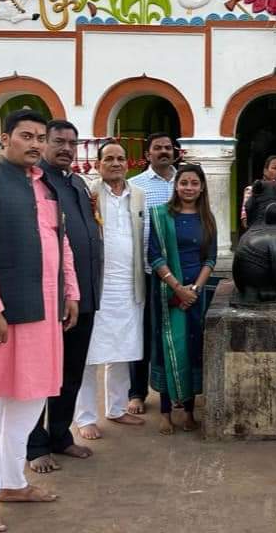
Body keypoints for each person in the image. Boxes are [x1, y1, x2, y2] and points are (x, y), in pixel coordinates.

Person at [0, 109, 80, 533]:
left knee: (29, 402)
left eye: (39, 137)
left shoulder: (47, 186)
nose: (34, 144)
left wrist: (71, 291)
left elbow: (60, 242)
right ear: (5, 139)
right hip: (3, 316)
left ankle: (13, 483)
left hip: (45, 313)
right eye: (25, 136)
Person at [27, 120, 103, 473]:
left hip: (83, 296)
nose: (66, 149)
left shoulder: (76, 183)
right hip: (49, 300)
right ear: (44, 143)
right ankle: (34, 444)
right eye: (59, 141)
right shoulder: (34, 184)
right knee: (41, 374)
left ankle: (60, 435)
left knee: (70, 372)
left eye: (72, 143)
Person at [75, 140, 147, 437]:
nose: (116, 163)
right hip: (97, 287)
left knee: (123, 349)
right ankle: (84, 418)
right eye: (109, 159)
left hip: (129, 285)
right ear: (99, 164)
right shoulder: (88, 193)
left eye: (120, 158)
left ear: (128, 164)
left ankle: (116, 409)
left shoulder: (138, 195)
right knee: (90, 355)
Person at [148, 163, 218, 435]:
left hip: (196, 294)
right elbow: (154, 256)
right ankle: (165, 412)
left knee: (191, 349)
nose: (189, 188)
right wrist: (178, 288)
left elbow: (210, 259)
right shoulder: (161, 216)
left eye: (194, 183)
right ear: (176, 186)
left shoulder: (207, 219)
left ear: (201, 188)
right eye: (184, 182)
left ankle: (188, 411)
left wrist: (195, 290)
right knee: (168, 349)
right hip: (168, 292)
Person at [127, 131, 177, 416]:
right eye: (157, 148)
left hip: (180, 274)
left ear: (175, 152)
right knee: (143, 333)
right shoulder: (136, 186)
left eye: (168, 148)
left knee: (175, 333)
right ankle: (137, 392)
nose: (163, 152)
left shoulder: (186, 181)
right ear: (147, 154)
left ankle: (176, 392)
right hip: (147, 271)